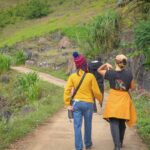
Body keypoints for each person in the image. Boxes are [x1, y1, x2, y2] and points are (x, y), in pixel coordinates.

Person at [64, 52, 102, 150]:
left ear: (76, 65)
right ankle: (88, 144)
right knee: (88, 125)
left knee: (77, 126)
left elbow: (67, 90)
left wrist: (68, 103)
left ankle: (79, 147)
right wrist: (100, 99)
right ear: (85, 64)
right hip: (88, 104)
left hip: (76, 104)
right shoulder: (90, 76)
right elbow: (96, 92)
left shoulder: (72, 76)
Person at [97, 54, 137, 150]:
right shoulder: (129, 74)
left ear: (116, 62)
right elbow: (132, 87)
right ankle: (120, 142)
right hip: (124, 100)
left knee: (114, 122)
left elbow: (99, 71)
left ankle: (117, 146)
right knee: (122, 122)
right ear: (125, 63)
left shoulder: (110, 73)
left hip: (114, 99)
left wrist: (105, 64)